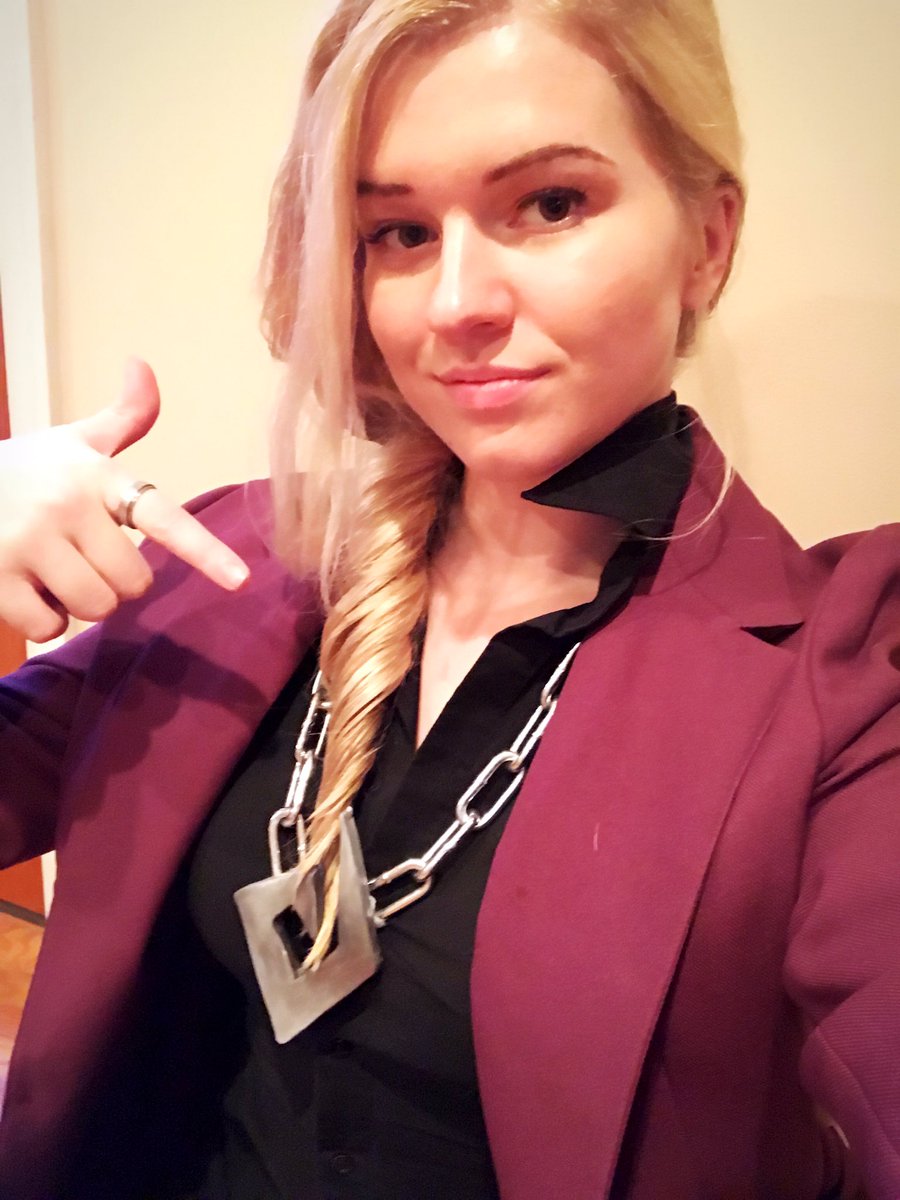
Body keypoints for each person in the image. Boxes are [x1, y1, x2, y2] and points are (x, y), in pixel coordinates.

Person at [0, 0, 898, 1196]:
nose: (457, 303)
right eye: (401, 232)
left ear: (707, 239)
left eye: (552, 203)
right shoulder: (229, 563)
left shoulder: (842, 672)